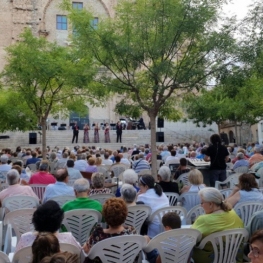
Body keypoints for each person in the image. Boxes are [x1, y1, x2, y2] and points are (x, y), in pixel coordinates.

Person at [191, 187, 244, 263]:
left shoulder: (203, 220)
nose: (201, 205)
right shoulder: (232, 213)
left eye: (202, 202)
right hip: (233, 258)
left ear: (210, 204)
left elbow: (190, 238)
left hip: (209, 259)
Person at [82, 198, 137, 263]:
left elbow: (85, 249)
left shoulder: (97, 234)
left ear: (105, 216)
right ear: (125, 215)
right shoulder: (131, 232)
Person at [15, 200, 80, 252]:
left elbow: (15, 259)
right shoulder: (68, 239)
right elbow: (80, 254)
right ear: (59, 221)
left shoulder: (25, 239)